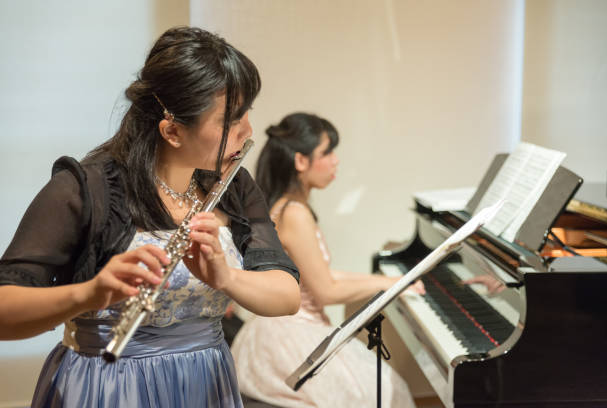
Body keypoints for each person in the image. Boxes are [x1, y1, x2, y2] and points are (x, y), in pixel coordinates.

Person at [0, 27, 301, 408]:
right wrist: (88, 294)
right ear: (172, 130)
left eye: (247, 114)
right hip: (108, 388)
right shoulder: (85, 188)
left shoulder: (235, 186)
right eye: (231, 120)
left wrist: (226, 277)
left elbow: (287, 295)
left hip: (207, 384)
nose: (248, 131)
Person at [230, 112, 423, 408]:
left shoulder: (286, 206)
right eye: (327, 152)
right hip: (288, 337)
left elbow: (322, 275)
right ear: (300, 161)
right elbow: (326, 290)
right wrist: (391, 286)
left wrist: (393, 281)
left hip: (280, 331)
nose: (335, 161)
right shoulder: (295, 213)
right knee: (387, 392)